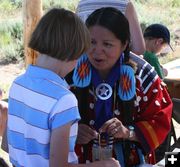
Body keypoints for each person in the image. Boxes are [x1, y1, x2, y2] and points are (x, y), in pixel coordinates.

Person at [6, 8, 120, 167]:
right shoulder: (63, 100)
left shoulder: (17, 84)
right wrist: (105, 165)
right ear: (74, 54)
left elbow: (7, 145)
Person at [66, 7, 173, 166]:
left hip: (130, 160)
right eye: (91, 42)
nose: (97, 51)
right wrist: (71, 131)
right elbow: (48, 116)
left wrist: (129, 133)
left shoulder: (143, 75)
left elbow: (160, 119)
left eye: (107, 44)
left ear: (124, 44)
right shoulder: (69, 72)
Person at [76, 0, 145, 55]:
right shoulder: (124, 4)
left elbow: (76, 42)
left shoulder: (82, 4)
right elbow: (138, 49)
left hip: (85, 65)